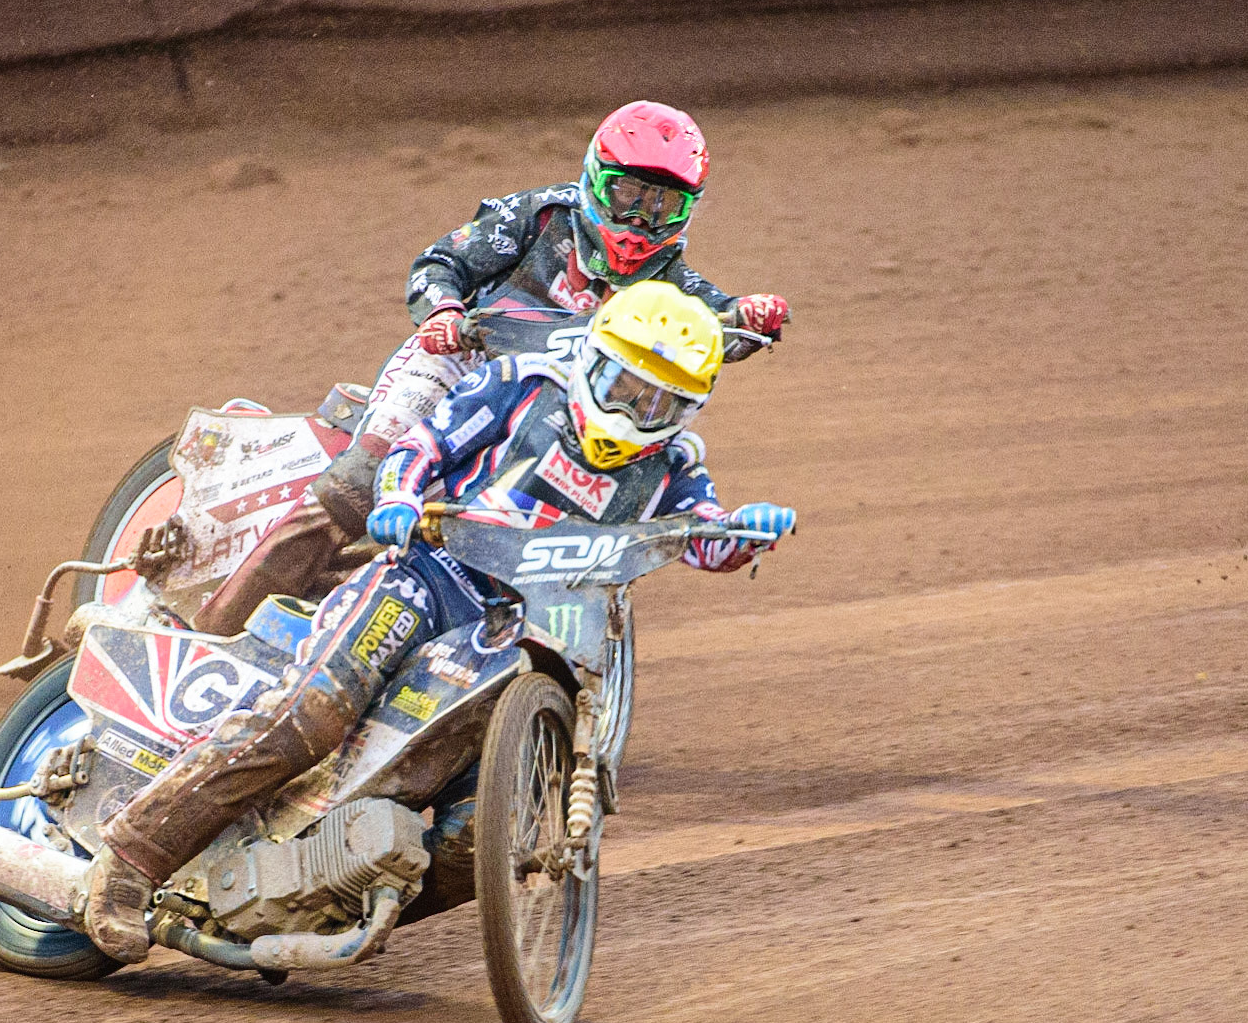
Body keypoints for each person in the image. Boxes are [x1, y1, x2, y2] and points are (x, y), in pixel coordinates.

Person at [80, 281, 797, 962]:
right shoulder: (521, 386)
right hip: (427, 579)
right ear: (593, 362)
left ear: (687, 410)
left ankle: (318, 900)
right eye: (624, 388)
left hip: (521, 636)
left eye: (660, 403)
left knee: (479, 836)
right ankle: (130, 859)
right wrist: (397, 493)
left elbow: (703, 537)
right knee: (315, 710)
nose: (636, 412)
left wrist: (744, 533)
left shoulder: (674, 468)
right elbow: (424, 444)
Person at [190, 99, 790, 635]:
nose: (638, 221)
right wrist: (444, 311)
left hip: (560, 403)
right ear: (593, 179)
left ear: (689, 210)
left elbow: (712, 325)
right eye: (627, 195)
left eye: (661, 204)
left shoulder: (672, 280)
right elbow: (441, 259)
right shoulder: (537, 216)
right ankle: (215, 627)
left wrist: (750, 315)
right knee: (356, 488)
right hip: (460, 364)